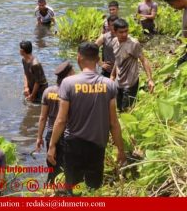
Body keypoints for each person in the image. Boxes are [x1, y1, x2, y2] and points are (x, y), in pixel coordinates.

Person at [47, 42, 126, 194]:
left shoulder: (68, 83)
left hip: (73, 144)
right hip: (97, 145)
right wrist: (120, 149)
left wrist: (52, 145)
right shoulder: (109, 84)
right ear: (98, 59)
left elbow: (61, 120)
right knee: (94, 188)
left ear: (79, 58)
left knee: (73, 189)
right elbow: (113, 122)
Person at [36, 61, 75, 184]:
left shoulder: (48, 91)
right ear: (68, 75)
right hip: (66, 133)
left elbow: (42, 117)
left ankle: (49, 188)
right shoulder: (71, 92)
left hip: (50, 134)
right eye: (73, 72)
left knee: (52, 165)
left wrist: (39, 137)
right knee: (65, 166)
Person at [111, 18, 155, 112]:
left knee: (127, 111)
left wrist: (150, 79)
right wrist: (113, 75)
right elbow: (118, 60)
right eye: (121, 32)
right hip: (119, 82)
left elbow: (143, 60)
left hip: (130, 82)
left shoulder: (133, 44)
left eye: (126, 31)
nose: (124, 34)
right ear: (114, 32)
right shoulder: (114, 42)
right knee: (118, 109)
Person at [163, 0, 187, 67]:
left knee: (178, 66)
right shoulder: (185, 8)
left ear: (178, 0)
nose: (172, 7)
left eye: (171, 4)